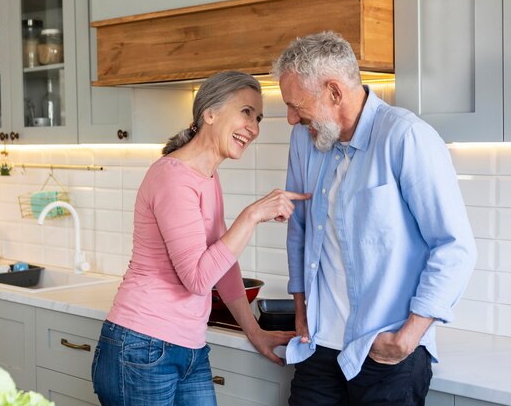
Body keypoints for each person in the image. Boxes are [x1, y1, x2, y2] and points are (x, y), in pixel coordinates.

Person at [271, 31, 477, 406]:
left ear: (334, 92)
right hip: (318, 347)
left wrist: (407, 337)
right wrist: (301, 309)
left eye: (296, 105)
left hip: (386, 352)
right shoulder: (305, 141)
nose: (290, 118)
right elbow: (299, 230)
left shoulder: (406, 137)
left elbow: (454, 247)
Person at [91, 70, 311, 406]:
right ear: (209, 113)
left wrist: (255, 332)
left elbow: (223, 266)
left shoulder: (207, 176)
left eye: (259, 117)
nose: (254, 128)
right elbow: (197, 278)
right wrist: (251, 216)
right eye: (246, 112)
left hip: (187, 348)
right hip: (141, 346)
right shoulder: (171, 177)